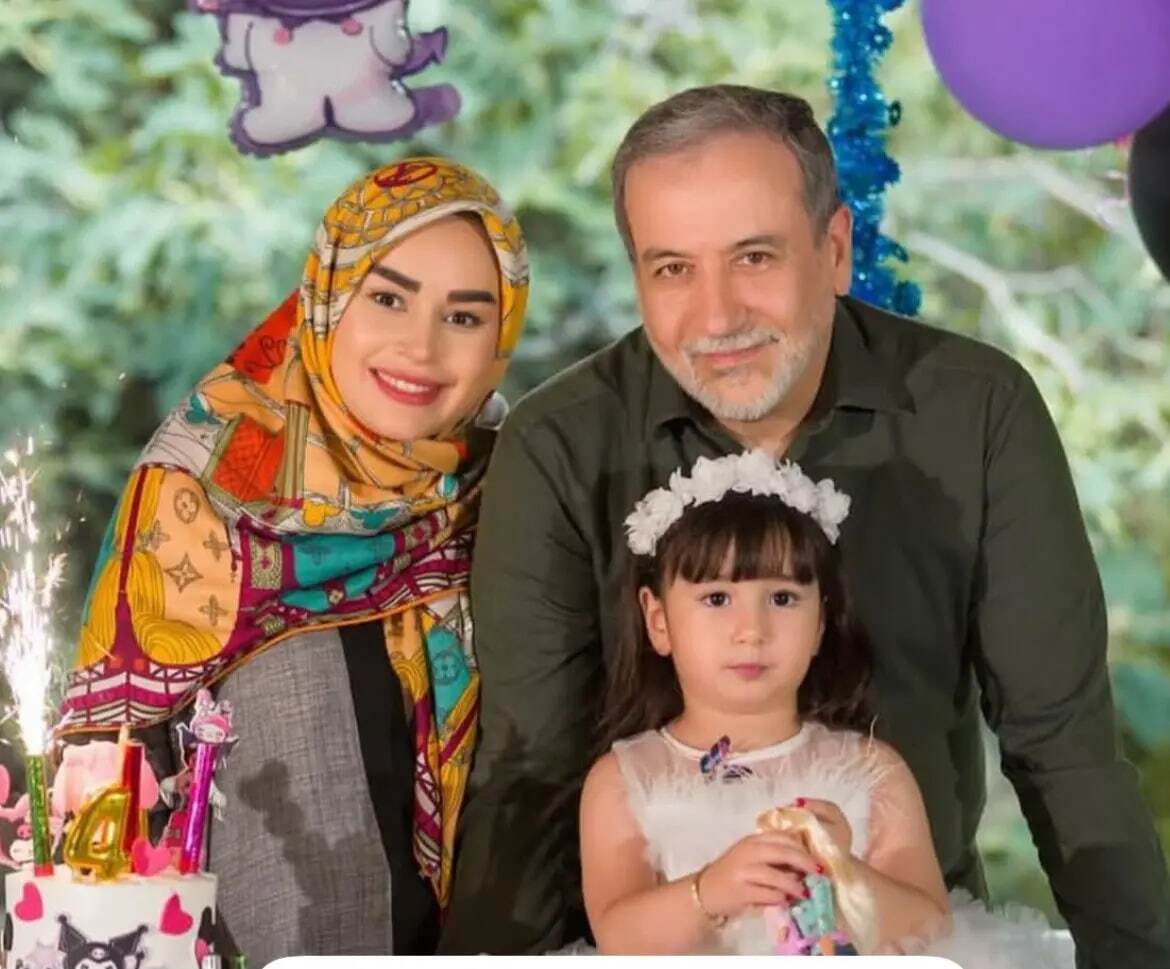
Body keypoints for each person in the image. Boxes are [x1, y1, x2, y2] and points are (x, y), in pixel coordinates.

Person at [440, 85, 1170, 966]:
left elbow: (1062, 744)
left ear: (835, 249)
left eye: (753, 256)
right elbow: (530, 774)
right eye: (673, 269)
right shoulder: (559, 442)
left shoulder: (977, 409)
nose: (717, 318)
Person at [60, 157, 529, 963]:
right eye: (388, 298)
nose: (420, 346)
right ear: (327, 297)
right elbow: (106, 813)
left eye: (463, 316)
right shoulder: (200, 488)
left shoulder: (517, 486)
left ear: (501, 336)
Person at [579, 450, 1069, 966]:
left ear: (820, 623)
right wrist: (711, 890)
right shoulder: (624, 780)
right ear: (658, 621)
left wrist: (846, 874)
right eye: (718, 598)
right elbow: (618, 938)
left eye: (783, 599)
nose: (751, 630)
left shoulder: (872, 771)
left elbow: (930, 927)